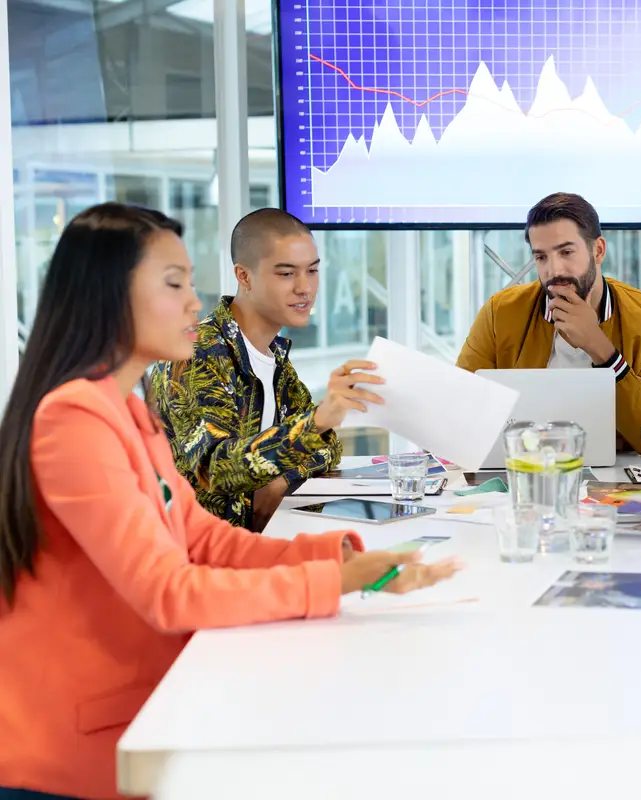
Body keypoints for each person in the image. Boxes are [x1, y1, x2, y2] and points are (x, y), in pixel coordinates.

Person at [0, 204, 460, 800]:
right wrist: (334, 584)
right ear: (109, 295)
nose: (195, 301)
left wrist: (333, 558)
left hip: (148, 710)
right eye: (174, 284)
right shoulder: (73, 419)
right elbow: (168, 589)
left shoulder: (124, 411)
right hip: (81, 752)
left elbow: (204, 539)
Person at [150, 208, 383, 532]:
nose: (305, 288)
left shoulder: (273, 359)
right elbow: (216, 469)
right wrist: (315, 424)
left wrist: (277, 482)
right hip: (198, 561)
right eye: (286, 274)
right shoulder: (197, 354)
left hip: (262, 547)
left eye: (312, 271)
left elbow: (328, 449)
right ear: (244, 276)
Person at [455, 192, 641, 454]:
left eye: (566, 252)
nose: (554, 270)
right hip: (520, 472)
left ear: (598, 250)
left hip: (613, 477)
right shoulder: (500, 312)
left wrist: (599, 347)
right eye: (541, 257)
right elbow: (461, 410)